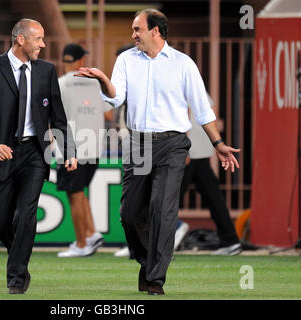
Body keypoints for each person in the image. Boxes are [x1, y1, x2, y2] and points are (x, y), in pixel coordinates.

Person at [75, 8, 240, 295]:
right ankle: (147, 261)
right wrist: (103, 79)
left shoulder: (183, 64)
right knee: (128, 214)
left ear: (155, 31)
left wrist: (218, 144)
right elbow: (116, 98)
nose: (133, 34)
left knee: (162, 211)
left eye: (137, 29)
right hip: (138, 143)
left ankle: (155, 279)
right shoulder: (126, 59)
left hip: (173, 144)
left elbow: (202, 109)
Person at [0, 18, 77, 294]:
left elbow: (58, 117)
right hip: (0, 153)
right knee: (2, 222)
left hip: (34, 154)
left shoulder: (46, 71)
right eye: (38, 39)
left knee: (26, 214)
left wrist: (69, 151)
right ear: (20, 40)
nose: (43, 44)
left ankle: (16, 279)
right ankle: (19, 259)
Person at [112, 43, 189, 258]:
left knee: (156, 200)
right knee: (133, 204)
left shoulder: (167, 73)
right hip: (134, 142)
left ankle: (171, 234)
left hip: (155, 142)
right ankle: (144, 250)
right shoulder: (125, 82)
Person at [56, 43, 111, 257]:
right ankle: (91, 233)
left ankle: (81, 244)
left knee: (75, 194)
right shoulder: (96, 84)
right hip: (94, 147)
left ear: (64, 61)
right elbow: (107, 114)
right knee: (80, 191)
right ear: (80, 61)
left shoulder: (59, 84)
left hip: (70, 148)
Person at [181, 97, 242, 256]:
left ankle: (165, 234)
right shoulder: (199, 88)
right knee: (213, 198)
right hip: (201, 150)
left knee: (168, 198)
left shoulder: (180, 81)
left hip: (188, 151)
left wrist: (183, 147)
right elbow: (212, 111)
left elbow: (184, 115)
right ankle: (231, 241)